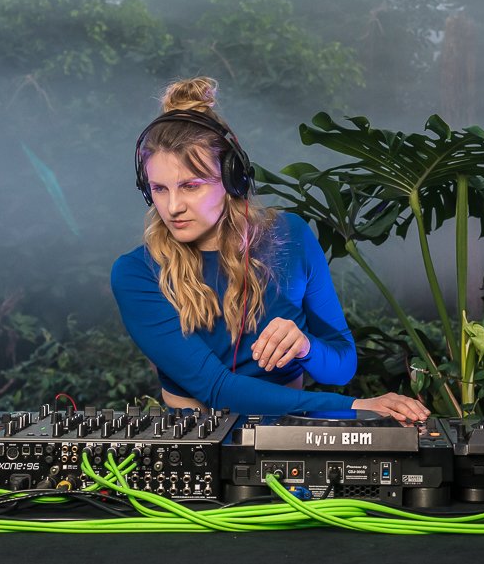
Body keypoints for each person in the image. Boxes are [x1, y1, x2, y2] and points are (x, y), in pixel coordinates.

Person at [110, 77, 429, 422]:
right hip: (198, 445)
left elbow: (341, 368)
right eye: (159, 188)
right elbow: (216, 388)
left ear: (233, 178)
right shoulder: (136, 272)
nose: (172, 207)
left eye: (191, 186)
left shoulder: (292, 235)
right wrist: (351, 407)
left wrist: (306, 346)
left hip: (290, 437)